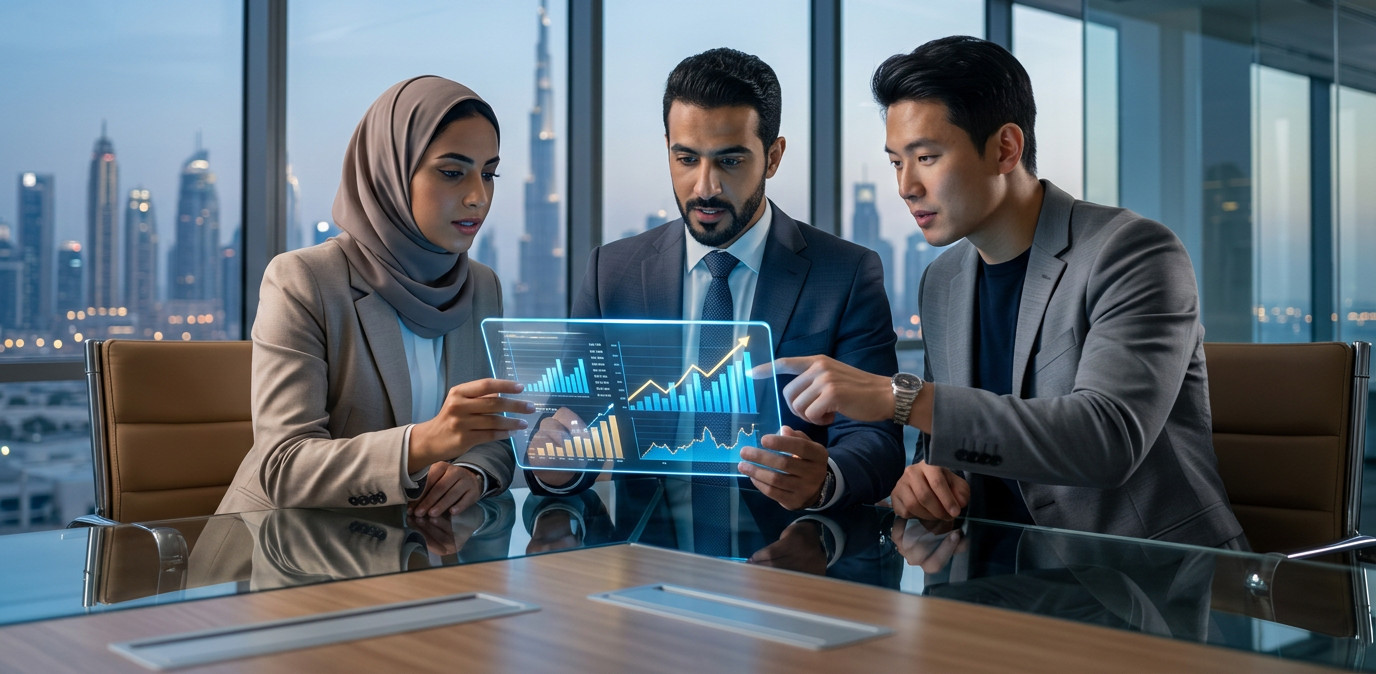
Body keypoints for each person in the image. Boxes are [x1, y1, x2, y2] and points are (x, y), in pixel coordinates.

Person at [767, 36, 1244, 549]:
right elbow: (946, 445)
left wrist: (897, 397)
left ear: (1005, 149)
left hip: (1152, 577)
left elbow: (1108, 440)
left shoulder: (1132, 252)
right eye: (896, 163)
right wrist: (923, 480)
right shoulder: (942, 282)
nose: (906, 186)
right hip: (993, 573)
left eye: (926, 157)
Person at [528, 48, 905, 521]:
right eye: (686, 159)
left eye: (729, 161)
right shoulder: (613, 272)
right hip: (646, 549)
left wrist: (826, 478)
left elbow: (876, 439)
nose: (704, 186)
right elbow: (567, 417)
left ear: (773, 157)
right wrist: (557, 466)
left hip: (793, 548)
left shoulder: (845, 274)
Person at [217, 76, 533, 520]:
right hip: (289, 544)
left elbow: (493, 435)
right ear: (390, 172)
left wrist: (474, 472)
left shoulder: (482, 286)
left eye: (488, 174)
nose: (478, 197)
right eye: (452, 172)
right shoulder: (305, 280)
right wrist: (424, 443)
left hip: (416, 544)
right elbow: (284, 467)